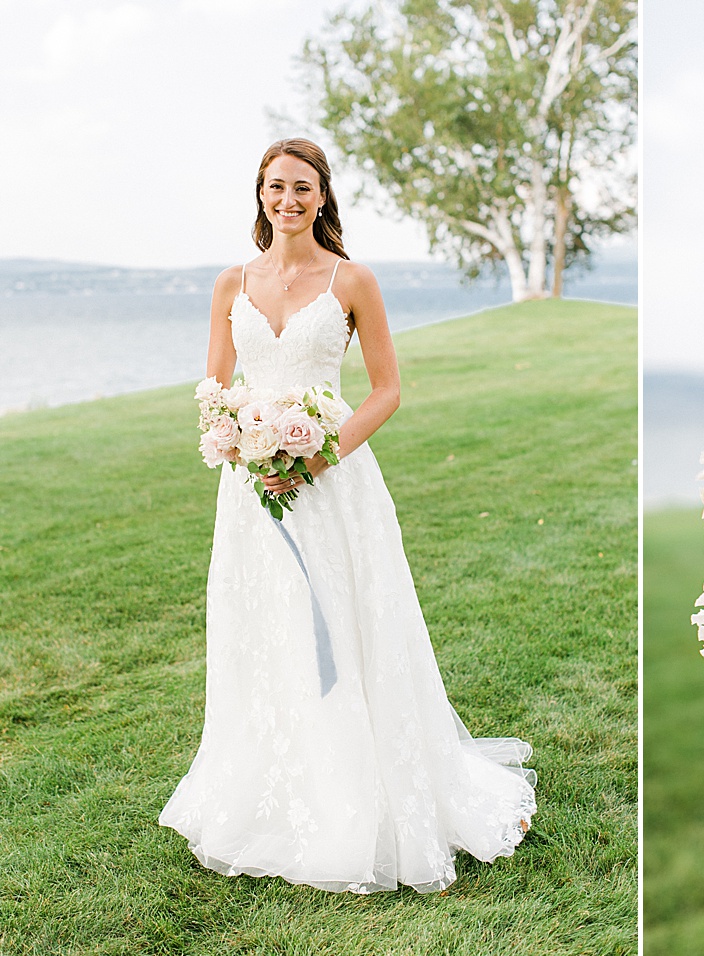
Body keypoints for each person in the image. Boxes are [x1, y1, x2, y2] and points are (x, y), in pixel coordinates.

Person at [159, 138, 536, 894]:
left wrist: (320, 454)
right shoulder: (231, 283)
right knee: (266, 625)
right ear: (260, 195)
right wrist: (235, 436)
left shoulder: (352, 280)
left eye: (303, 187)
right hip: (251, 491)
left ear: (323, 197)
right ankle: (271, 780)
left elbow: (387, 389)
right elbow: (215, 383)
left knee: (343, 621)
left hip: (333, 485)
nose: (288, 200)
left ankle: (362, 793)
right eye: (276, 187)